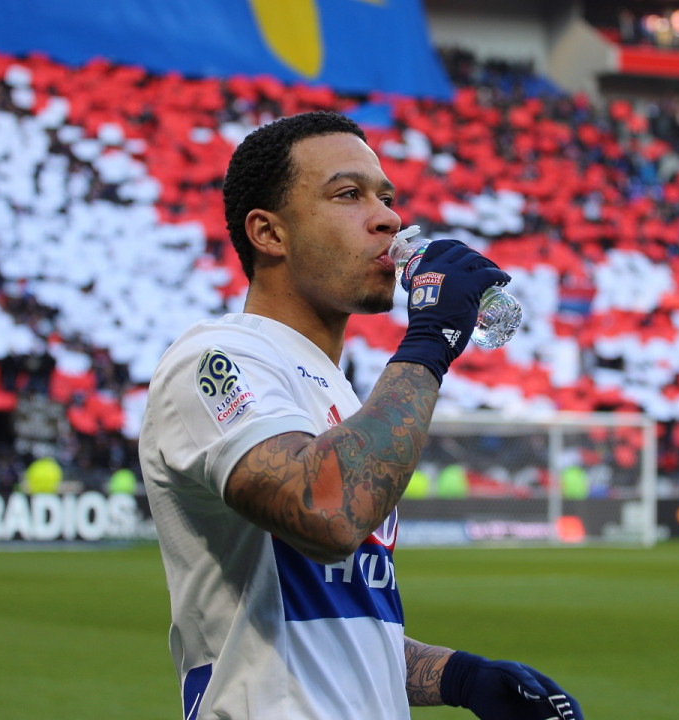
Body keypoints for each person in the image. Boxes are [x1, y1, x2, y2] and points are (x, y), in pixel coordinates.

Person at [139, 111, 584, 720]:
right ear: (269, 234)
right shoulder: (216, 358)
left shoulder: (343, 400)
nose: (389, 218)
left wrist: (462, 678)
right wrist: (429, 342)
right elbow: (325, 511)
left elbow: (334, 634)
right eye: (349, 195)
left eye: (388, 197)